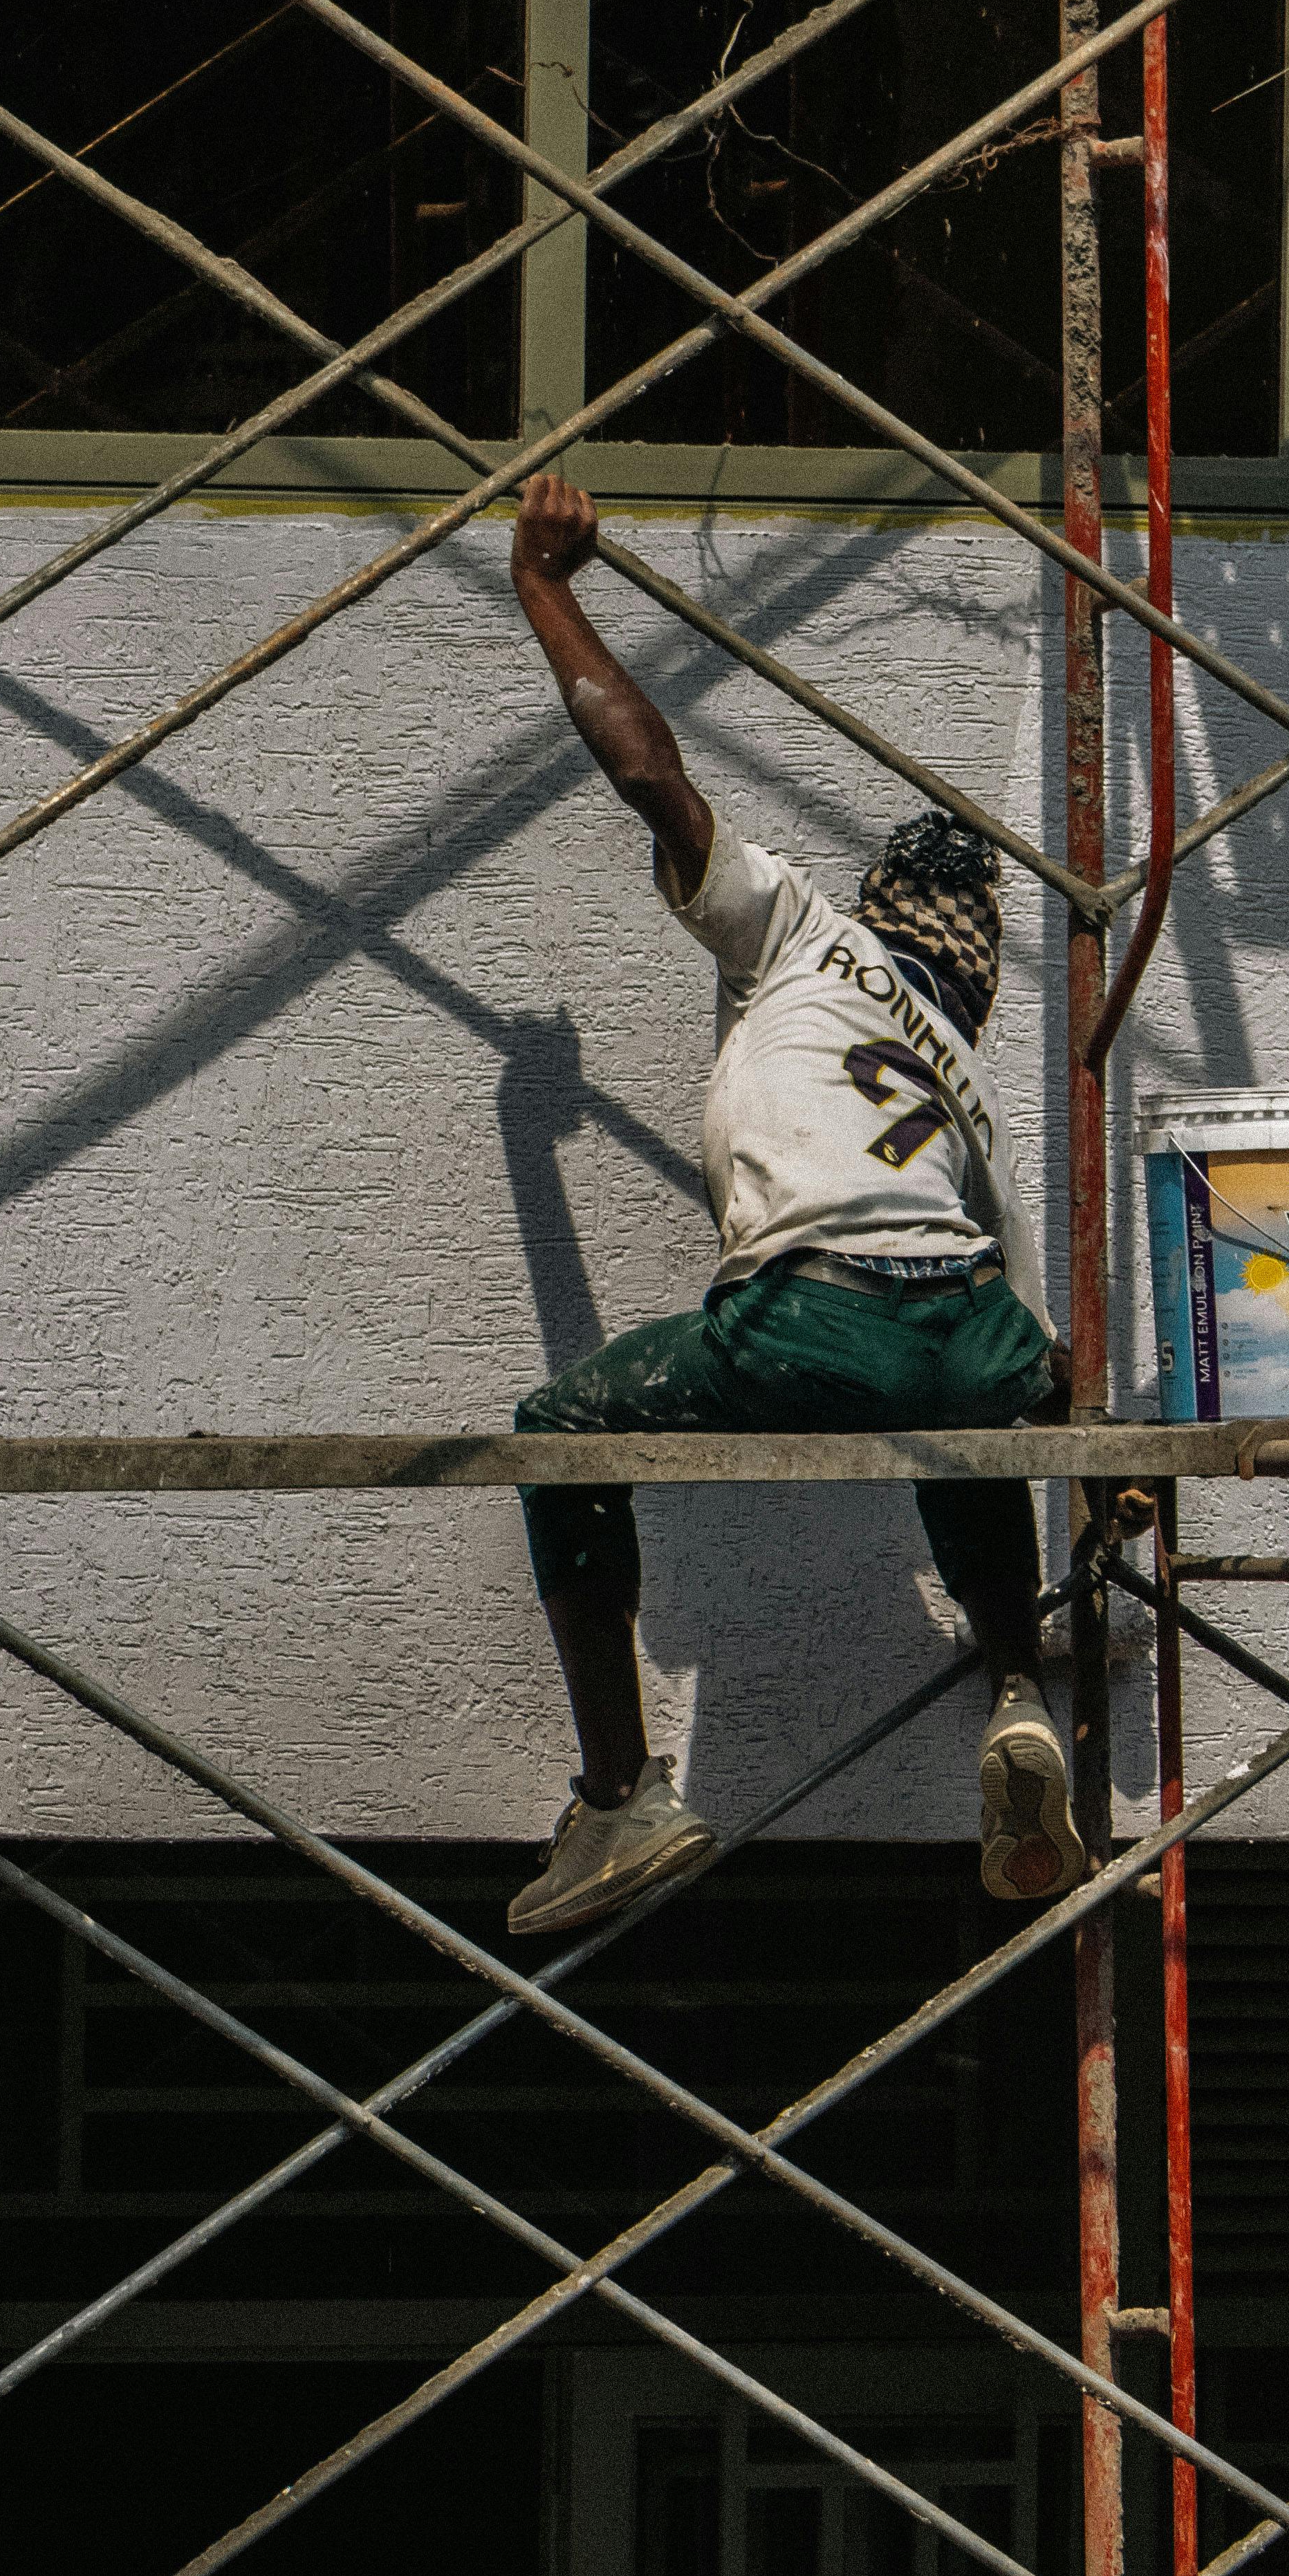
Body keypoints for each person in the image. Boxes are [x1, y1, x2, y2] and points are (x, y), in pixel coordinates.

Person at [502, 469, 1089, 1944]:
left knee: (558, 1430)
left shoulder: (804, 933)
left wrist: (544, 584)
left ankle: (621, 1793)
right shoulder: (963, 1075)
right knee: (964, 1415)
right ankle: (1017, 1686)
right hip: (968, 1318)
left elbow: (651, 777)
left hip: (818, 1308)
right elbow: (1040, 1363)